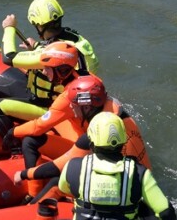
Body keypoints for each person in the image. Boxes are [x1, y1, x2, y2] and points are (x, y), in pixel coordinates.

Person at [40, 112, 177, 220]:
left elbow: (63, 188)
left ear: (91, 141)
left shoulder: (73, 167)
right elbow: (166, 213)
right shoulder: (140, 173)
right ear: (123, 141)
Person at [9, 74, 151, 199]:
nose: (70, 108)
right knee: (32, 142)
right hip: (138, 178)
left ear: (87, 107)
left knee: (55, 183)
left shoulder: (95, 135)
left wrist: (24, 174)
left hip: (121, 188)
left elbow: (57, 167)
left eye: (74, 105)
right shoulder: (116, 118)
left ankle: (32, 212)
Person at [0, 0, 99, 138]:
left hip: (50, 106)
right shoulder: (77, 40)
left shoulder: (50, 53)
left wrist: (9, 28)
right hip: (63, 99)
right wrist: (36, 46)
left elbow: (8, 57)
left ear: (40, 25)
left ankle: (13, 146)